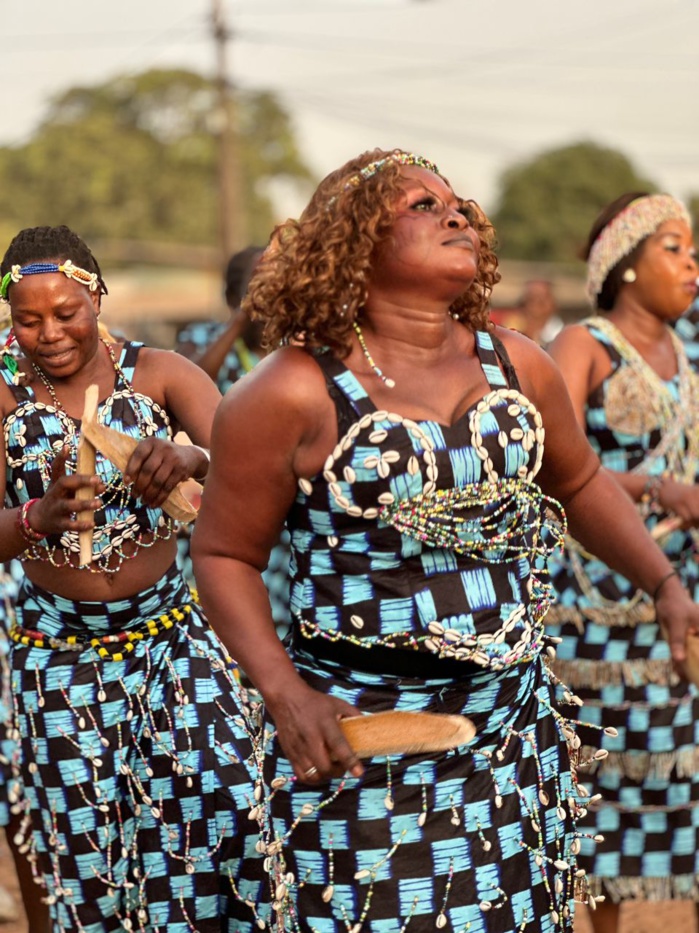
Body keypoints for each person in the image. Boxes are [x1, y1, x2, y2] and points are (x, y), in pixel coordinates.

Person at [191, 150, 699, 933]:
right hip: (364, 734)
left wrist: (663, 583)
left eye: (455, 202)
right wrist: (285, 692)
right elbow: (226, 554)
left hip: (509, 727)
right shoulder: (291, 390)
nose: (454, 213)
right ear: (353, 243)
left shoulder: (517, 365)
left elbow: (583, 484)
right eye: (421, 207)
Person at [0, 225, 258, 932]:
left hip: (171, 640)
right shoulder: (3, 391)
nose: (47, 332)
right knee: (81, 849)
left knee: (220, 811)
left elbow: (245, 459)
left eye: (65, 313)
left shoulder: (162, 372)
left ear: (98, 297)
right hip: (57, 656)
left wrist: (190, 458)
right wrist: (37, 514)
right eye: (27, 318)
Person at [545, 193, 699, 933]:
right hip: (597, 601)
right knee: (606, 776)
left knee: (682, 772)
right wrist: (653, 487)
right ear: (626, 266)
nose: (690, 262)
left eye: (691, 248)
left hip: (686, 586)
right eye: (672, 247)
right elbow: (553, 458)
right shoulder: (584, 345)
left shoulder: (692, 349)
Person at [176, 247, 291, 634]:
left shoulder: (296, 351)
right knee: (216, 613)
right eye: (257, 287)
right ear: (232, 297)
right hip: (215, 506)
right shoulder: (205, 338)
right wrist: (241, 318)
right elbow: (189, 379)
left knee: (276, 615)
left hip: (281, 514)